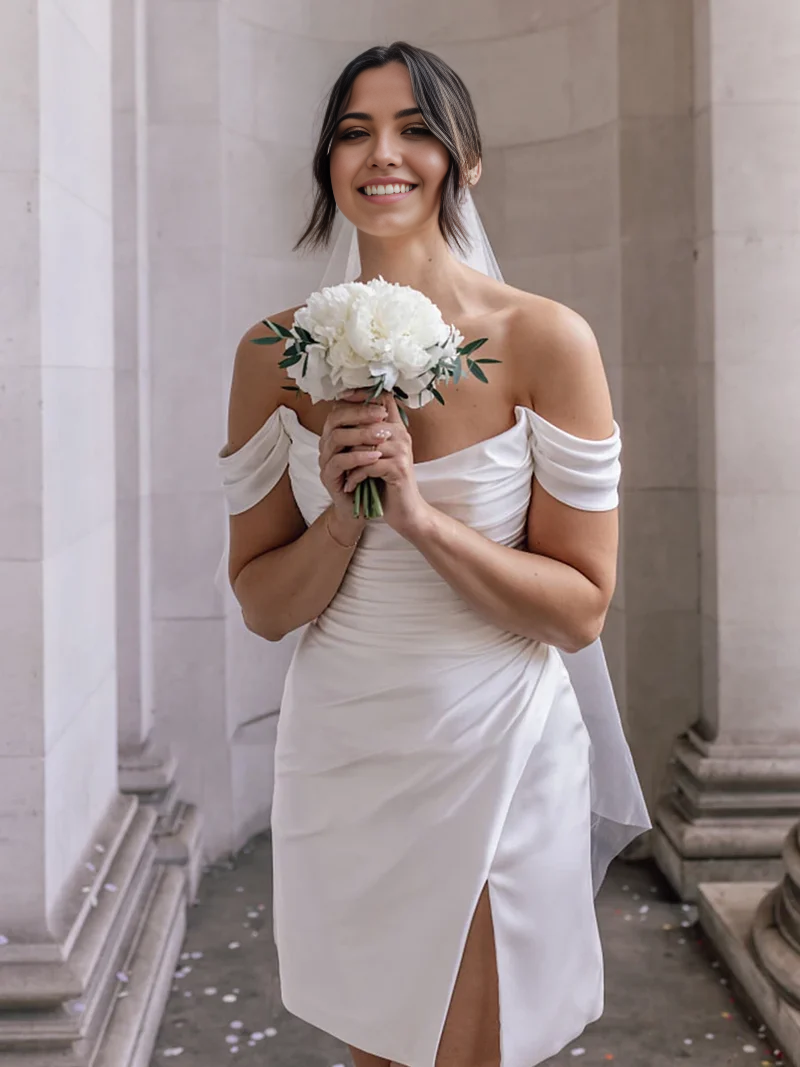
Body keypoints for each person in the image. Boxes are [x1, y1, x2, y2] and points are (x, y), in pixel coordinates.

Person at [217, 41, 650, 1067]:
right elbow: (265, 604)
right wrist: (345, 512)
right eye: (355, 131)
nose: (384, 153)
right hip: (347, 741)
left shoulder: (547, 341)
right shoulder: (268, 357)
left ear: (465, 160)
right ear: (327, 163)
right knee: (380, 1041)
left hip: (494, 735)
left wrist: (416, 512)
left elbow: (578, 608)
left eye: (414, 127)